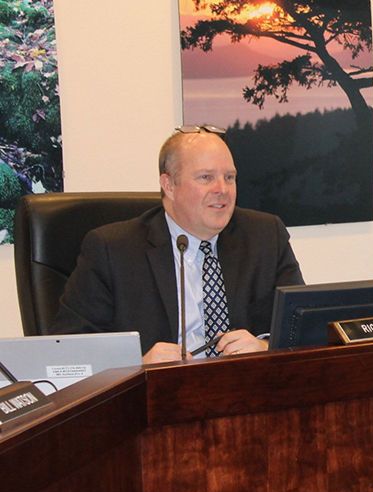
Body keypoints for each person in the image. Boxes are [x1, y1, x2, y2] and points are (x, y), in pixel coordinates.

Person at [52, 126, 304, 363]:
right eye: (206, 177)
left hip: (248, 386)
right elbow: (67, 354)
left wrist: (266, 347)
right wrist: (138, 366)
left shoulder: (265, 235)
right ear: (169, 185)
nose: (223, 189)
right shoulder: (112, 250)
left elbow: (305, 328)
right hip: (159, 391)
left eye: (229, 177)